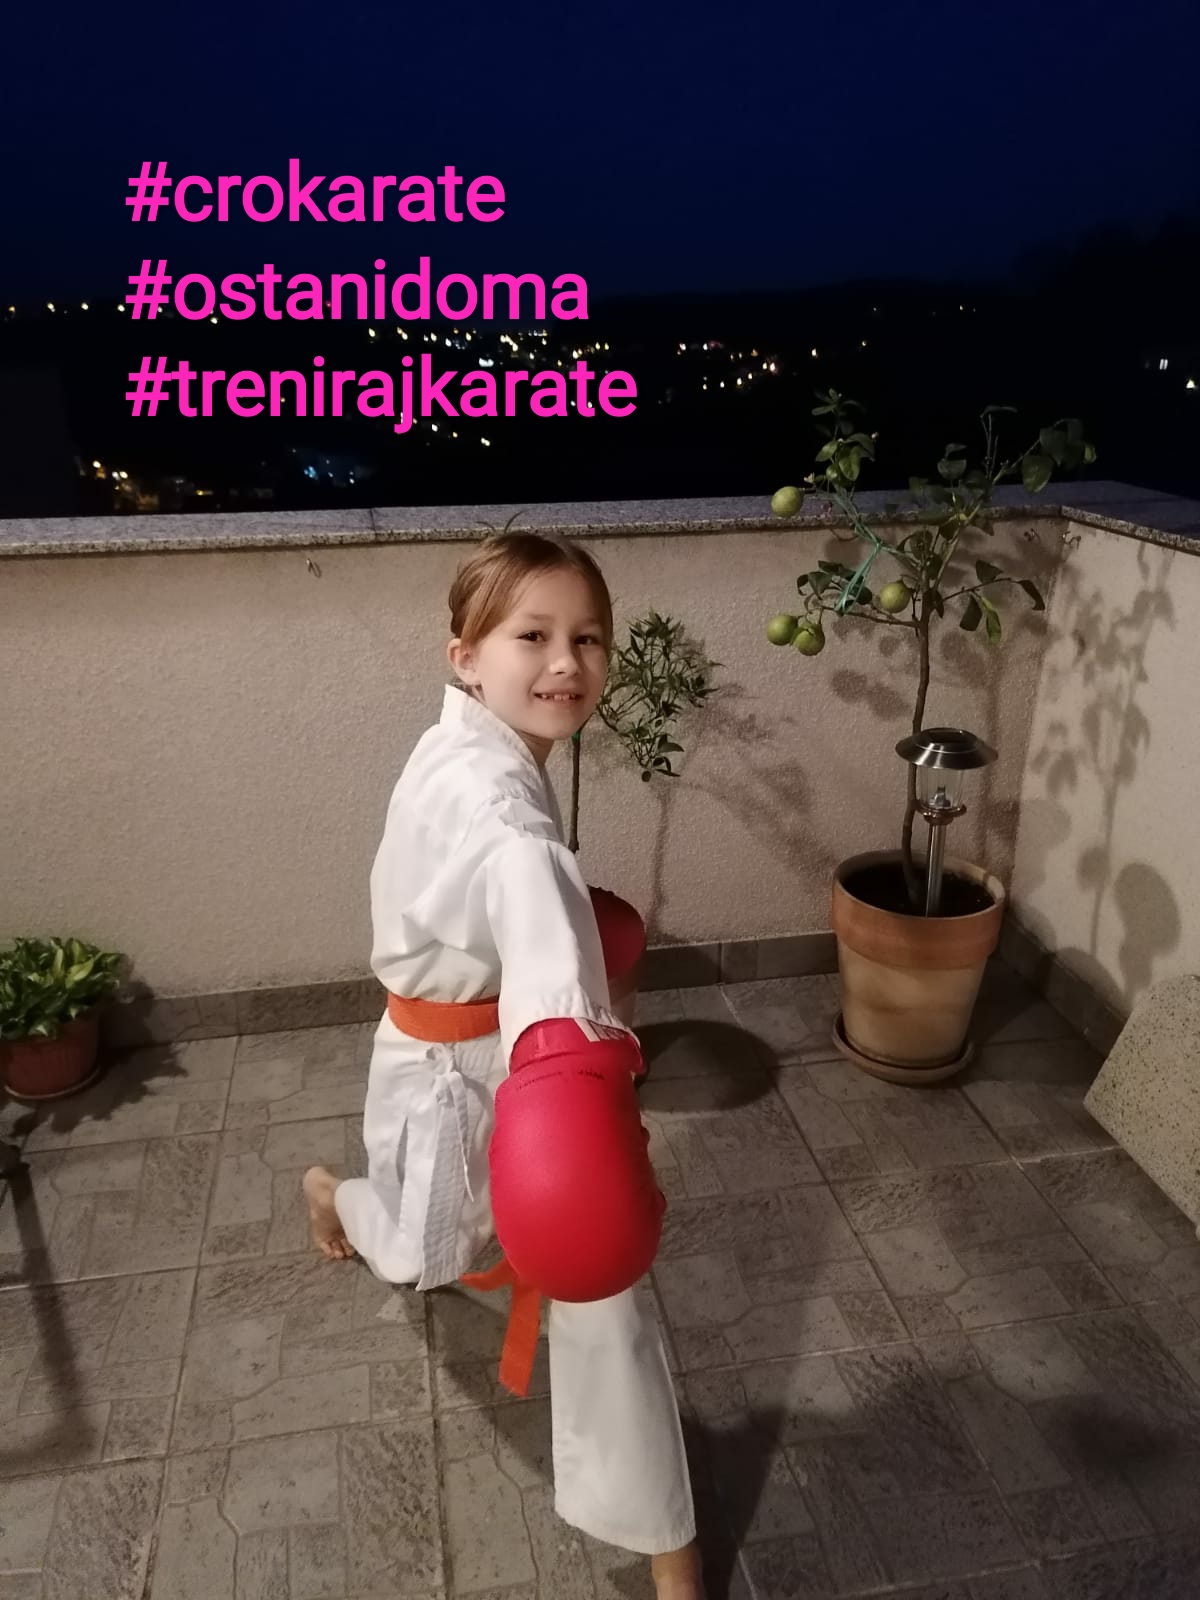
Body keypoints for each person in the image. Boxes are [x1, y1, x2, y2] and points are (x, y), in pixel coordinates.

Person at [303, 531, 704, 1599]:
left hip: (485, 1050)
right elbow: (522, 883)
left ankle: (671, 1550)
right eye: (534, 636)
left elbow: (518, 915)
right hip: (440, 1075)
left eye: (589, 638)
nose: (567, 662)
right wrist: (579, 1068)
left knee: (607, 1303)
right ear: (466, 656)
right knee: (419, 1255)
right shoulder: (500, 811)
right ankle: (333, 1193)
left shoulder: (474, 744)